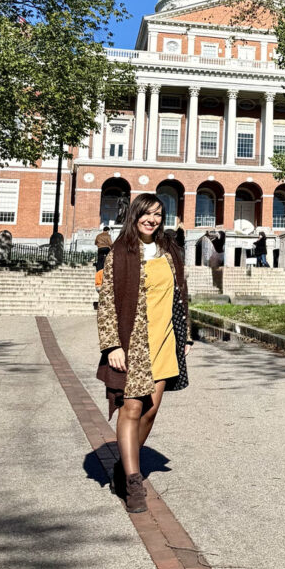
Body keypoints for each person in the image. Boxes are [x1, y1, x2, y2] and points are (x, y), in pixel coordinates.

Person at [96, 193, 192, 514]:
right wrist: (112, 345)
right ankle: (133, 481)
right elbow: (107, 301)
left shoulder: (170, 251)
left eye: (157, 214)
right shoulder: (120, 252)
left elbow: (181, 294)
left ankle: (123, 468)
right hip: (133, 341)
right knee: (132, 409)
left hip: (165, 340)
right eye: (146, 214)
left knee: (150, 411)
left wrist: (185, 335)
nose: (152, 219)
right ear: (135, 215)